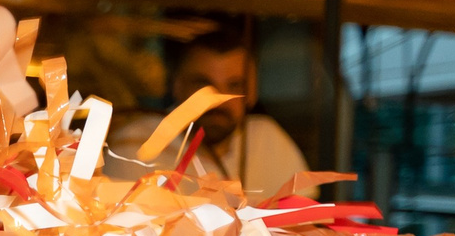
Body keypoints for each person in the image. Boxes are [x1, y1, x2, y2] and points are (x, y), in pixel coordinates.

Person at [105, 16, 310, 202]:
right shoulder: (135, 143)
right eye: (203, 85)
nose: (218, 100)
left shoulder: (268, 140)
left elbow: (303, 221)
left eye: (234, 85)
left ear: (252, 92)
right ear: (177, 86)